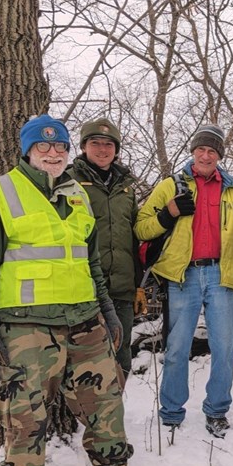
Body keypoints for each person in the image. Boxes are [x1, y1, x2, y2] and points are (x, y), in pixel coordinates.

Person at [0, 115, 134, 466]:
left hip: (84, 318)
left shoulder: (78, 194)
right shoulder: (4, 192)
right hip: (26, 325)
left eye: (59, 147)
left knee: (106, 401)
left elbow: (88, 260)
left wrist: (107, 311)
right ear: (28, 150)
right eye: (44, 146)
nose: (53, 153)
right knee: (26, 414)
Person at [134, 124, 233, 437]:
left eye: (212, 150)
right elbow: (142, 228)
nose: (205, 155)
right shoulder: (170, 186)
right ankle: (172, 411)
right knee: (176, 348)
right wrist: (168, 213)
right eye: (201, 149)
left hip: (222, 275)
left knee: (225, 347)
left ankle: (217, 410)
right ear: (193, 151)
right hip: (182, 275)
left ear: (219, 156)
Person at [68, 117, 146, 384]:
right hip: (83, 288)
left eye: (108, 144)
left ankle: (113, 415)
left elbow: (134, 238)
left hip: (122, 288)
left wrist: (138, 284)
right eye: (95, 143)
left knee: (121, 353)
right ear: (83, 147)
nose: (102, 149)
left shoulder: (126, 188)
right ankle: (86, 419)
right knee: (84, 356)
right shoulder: (68, 182)